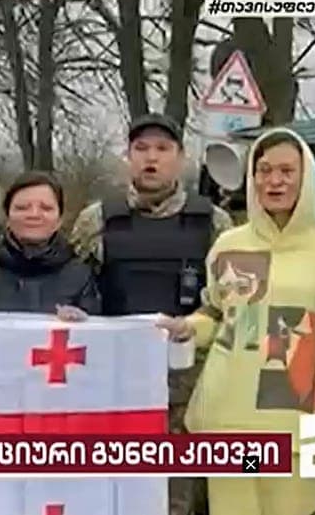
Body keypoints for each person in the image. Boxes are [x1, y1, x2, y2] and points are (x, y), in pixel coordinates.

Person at [157, 127, 315, 515]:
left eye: (286, 171)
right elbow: (218, 316)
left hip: (307, 426)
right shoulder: (231, 243)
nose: (273, 181)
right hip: (233, 421)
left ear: (307, 177)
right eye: (263, 170)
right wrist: (187, 329)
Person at [69, 112, 232, 515]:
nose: (151, 159)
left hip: (188, 391)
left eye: (162, 149)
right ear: (128, 157)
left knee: (180, 500)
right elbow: (72, 288)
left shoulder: (213, 223)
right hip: (115, 386)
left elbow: (229, 306)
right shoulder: (96, 221)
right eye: (141, 149)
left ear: (180, 158)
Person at [0, 170, 99, 320]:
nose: (34, 215)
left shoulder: (80, 273)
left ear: (59, 220)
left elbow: (97, 334)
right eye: (22, 208)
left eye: (46, 208)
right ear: (8, 217)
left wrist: (84, 321)